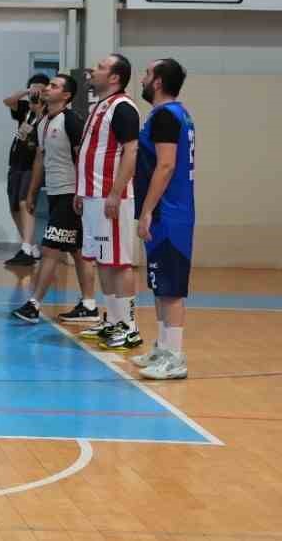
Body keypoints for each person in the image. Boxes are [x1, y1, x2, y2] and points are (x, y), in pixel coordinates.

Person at [10, 73, 100, 325]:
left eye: (54, 86)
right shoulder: (42, 123)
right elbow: (40, 159)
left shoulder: (71, 121)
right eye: (49, 85)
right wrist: (31, 192)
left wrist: (82, 191)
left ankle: (34, 305)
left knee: (50, 249)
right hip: (54, 192)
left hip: (71, 194)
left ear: (66, 95)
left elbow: (81, 156)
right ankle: (90, 304)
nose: (47, 89)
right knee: (77, 249)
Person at [133, 58, 196, 380]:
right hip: (166, 212)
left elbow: (167, 166)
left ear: (157, 82)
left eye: (146, 74)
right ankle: (162, 347)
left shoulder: (166, 117)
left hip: (169, 213)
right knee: (160, 284)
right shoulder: (170, 115)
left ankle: (176, 357)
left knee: (171, 289)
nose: (142, 79)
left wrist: (146, 210)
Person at [75, 52, 142, 352]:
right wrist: (81, 191)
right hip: (93, 197)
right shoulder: (100, 106)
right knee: (103, 260)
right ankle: (113, 320)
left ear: (114, 77)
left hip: (110, 198)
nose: (94, 69)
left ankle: (129, 327)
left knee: (119, 262)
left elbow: (132, 152)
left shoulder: (124, 108)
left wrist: (116, 192)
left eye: (101, 67)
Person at [1, 73, 50, 267]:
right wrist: (27, 92)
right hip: (16, 163)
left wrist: (40, 107)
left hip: (33, 165)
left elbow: (43, 131)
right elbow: (8, 101)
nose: (36, 93)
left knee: (25, 203)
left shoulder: (47, 113)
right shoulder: (24, 109)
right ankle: (30, 246)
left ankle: (27, 249)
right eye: (34, 89)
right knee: (14, 206)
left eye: (41, 89)